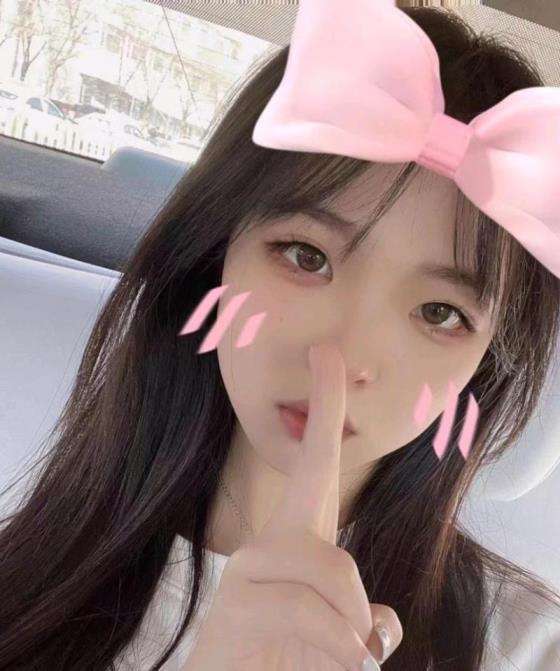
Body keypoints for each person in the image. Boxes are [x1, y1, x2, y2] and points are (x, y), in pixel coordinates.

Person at [0, 5, 559, 670]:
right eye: (305, 256)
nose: (343, 359)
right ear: (215, 257)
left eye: (440, 312)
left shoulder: (528, 646)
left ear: (482, 370)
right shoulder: (27, 583)